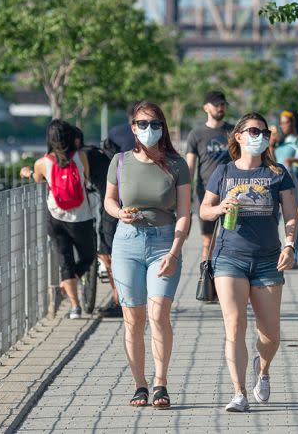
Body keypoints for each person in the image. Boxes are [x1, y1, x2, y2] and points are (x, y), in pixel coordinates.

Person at [200, 112, 297, 412]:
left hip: (268, 260)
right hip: (229, 257)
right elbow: (203, 210)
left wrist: (290, 245)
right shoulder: (224, 172)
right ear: (238, 136)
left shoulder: (278, 173)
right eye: (253, 131)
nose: (260, 136)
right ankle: (239, 392)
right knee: (235, 325)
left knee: (270, 335)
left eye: (264, 132)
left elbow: (291, 216)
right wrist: (219, 208)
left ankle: (263, 369)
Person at [104, 102, 191, 409]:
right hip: (127, 242)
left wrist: (176, 250)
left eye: (154, 124)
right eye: (142, 124)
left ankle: (160, 383)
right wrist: (119, 214)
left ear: (163, 127)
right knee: (133, 318)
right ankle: (139, 384)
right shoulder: (120, 161)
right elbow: (109, 201)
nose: (148, 129)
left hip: (164, 244)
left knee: (158, 315)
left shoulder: (177, 164)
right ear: (133, 127)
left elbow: (184, 213)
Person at [20, 120, 97, 319]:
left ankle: (75, 307)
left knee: (66, 263)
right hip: (81, 217)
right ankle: (68, 284)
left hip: (55, 217)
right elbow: (86, 178)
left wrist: (27, 172)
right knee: (88, 257)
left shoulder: (42, 163)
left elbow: (37, 180)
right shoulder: (81, 157)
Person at [71, 126, 121, 317]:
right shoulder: (93, 151)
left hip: (111, 204)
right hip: (114, 201)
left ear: (74, 141)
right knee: (109, 251)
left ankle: (118, 301)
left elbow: (81, 183)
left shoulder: (83, 156)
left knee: (108, 253)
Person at [186, 90, 233, 259]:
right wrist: (186, 195)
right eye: (216, 105)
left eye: (223, 105)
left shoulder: (233, 132)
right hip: (206, 194)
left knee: (231, 240)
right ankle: (207, 279)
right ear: (206, 107)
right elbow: (190, 167)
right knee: (208, 241)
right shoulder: (196, 134)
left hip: (232, 193)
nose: (220, 108)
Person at [273, 110, 298, 269]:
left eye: (286, 122)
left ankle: (293, 256)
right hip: (275, 183)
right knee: (273, 220)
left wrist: (294, 160)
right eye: (281, 122)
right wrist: (271, 144)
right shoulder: (280, 141)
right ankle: (273, 254)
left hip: (293, 184)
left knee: (292, 221)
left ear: (293, 122)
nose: (283, 125)